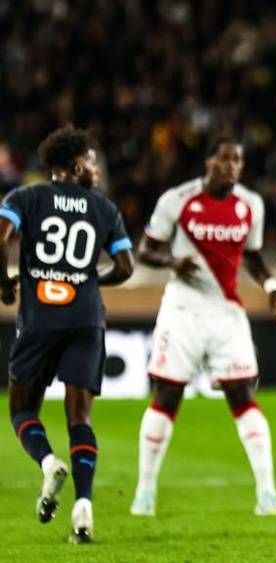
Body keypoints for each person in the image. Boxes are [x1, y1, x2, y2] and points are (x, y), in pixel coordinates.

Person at [129, 137, 276, 517]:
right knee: (167, 395)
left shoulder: (251, 205)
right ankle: (145, 490)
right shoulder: (177, 200)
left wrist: (272, 287)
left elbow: (252, 256)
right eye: (226, 158)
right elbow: (145, 250)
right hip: (182, 311)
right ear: (210, 162)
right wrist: (172, 262)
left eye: (238, 160)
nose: (233, 165)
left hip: (226, 313)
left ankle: (267, 492)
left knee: (242, 394)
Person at [1, 126, 135, 543]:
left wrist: (5, 285)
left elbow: (1, 239)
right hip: (86, 320)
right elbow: (126, 267)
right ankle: (84, 508)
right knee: (80, 418)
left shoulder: (24, 198)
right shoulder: (104, 208)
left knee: (22, 410)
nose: (97, 169)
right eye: (92, 161)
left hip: (40, 319)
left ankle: (47, 463)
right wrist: (90, 281)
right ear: (76, 166)